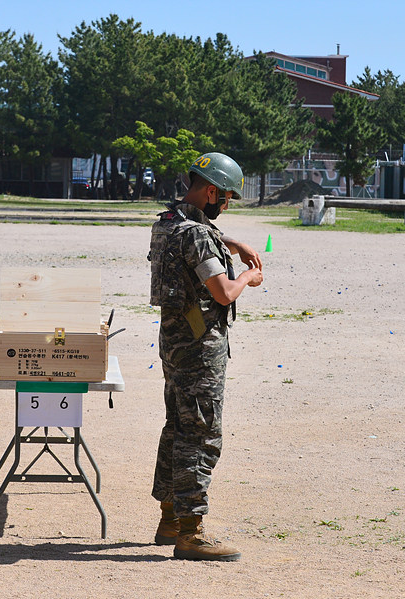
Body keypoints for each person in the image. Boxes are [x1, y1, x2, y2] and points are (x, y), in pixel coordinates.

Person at [148, 152, 263, 561]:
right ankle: (191, 533)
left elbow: (196, 238)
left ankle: (170, 519)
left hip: (175, 346)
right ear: (211, 190)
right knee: (200, 435)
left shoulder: (166, 224)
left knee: (177, 428)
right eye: (226, 197)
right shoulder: (196, 234)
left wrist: (233, 242)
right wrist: (248, 276)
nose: (226, 204)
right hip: (199, 351)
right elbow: (223, 293)